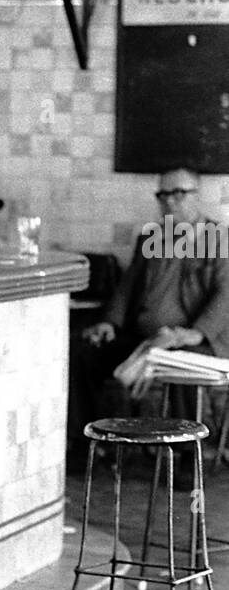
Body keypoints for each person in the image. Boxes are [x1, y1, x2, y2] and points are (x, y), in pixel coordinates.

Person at [68, 166, 229, 470]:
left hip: (192, 339)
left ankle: (185, 456)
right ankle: (85, 443)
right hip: (146, 338)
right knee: (84, 352)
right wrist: (110, 322)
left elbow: (227, 293)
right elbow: (128, 286)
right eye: (163, 194)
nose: (170, 201)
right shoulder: (153, 237)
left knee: (181, 361)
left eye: (179, 193)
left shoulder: (216, 237)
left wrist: (194, 333)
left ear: (198, 196)